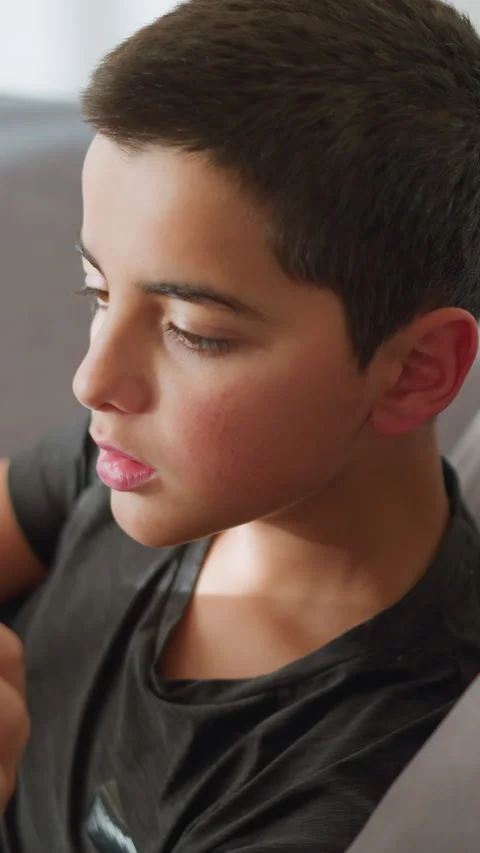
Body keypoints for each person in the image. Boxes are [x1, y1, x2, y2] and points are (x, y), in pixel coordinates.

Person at [2, 0, 480, 850]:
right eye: (97, 292)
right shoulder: (127, 458)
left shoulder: (352, 780)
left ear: (414, 370)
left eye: (196, 333)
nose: (92, 381)